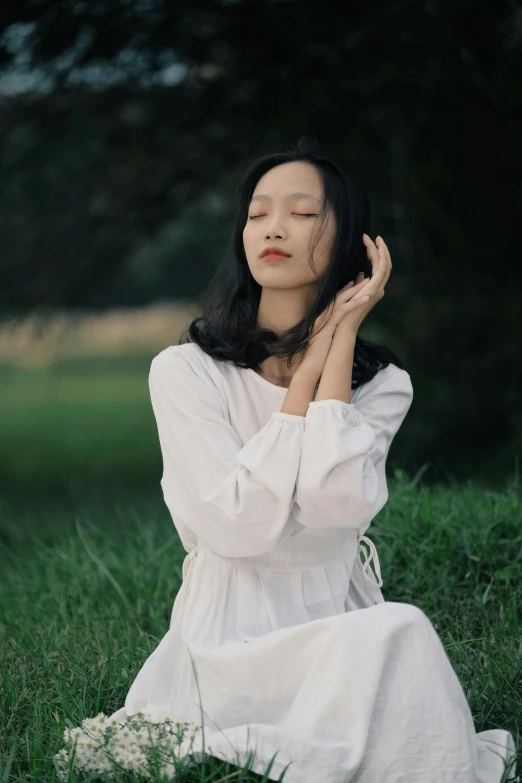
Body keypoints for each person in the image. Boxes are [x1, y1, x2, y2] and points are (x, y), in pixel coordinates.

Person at [105, 138, 516, 781]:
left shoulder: (384, 385)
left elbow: (335, 505)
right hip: (228, 641)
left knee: (396, 633)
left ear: (349, 238)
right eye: (257, 213)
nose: (273, 227)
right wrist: (308, 375)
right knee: (401, 632)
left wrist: (340, 341)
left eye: (302, 214)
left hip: (339, 624)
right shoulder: (185, 372)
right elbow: (238, 528)